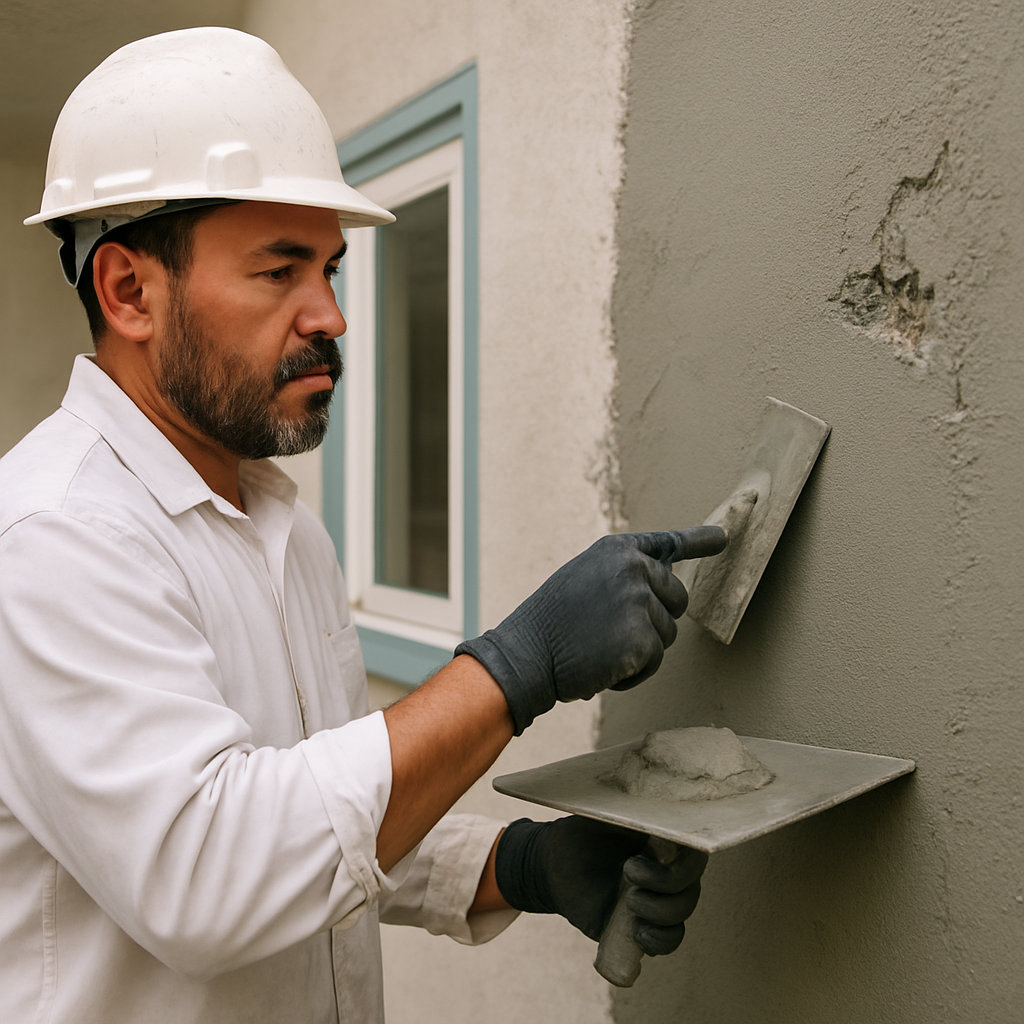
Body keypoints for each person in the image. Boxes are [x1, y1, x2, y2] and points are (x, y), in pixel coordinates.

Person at [0, 27, 726, 1024]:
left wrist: (521, 863)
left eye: (330, 270)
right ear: (130, 289)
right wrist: (517, 666)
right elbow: (212, 874)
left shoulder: (280, 530)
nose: (330, 315)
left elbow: (318, 808)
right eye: (277, 270)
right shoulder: (55, 537)